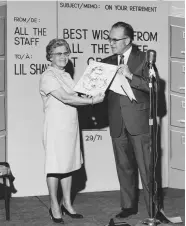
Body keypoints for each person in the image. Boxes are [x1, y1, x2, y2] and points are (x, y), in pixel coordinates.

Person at [102, 22, 167, 222]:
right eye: (109, 39)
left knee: (147, 168)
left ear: (127, 40)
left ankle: (153, 209)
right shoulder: (106, 62)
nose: (111, 43)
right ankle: (128, 206)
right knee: (124, 167)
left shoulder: (144, 59)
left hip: (139, 122)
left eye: (115, 39)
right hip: (117, 122)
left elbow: (153, 87)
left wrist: (130, 76)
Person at [39, 38, 104, 224]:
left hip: (70, 126)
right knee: (54, 167)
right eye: (58, 53)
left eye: (66, 53)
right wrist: (92, 101)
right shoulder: (48, 76)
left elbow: (76, 95)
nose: (63, 57)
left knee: (68, 165)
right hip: (55, 128)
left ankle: (67, 204)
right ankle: (54, 206)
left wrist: (93, 90)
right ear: (50, 56)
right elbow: (66, 98)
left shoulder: (66, 75)